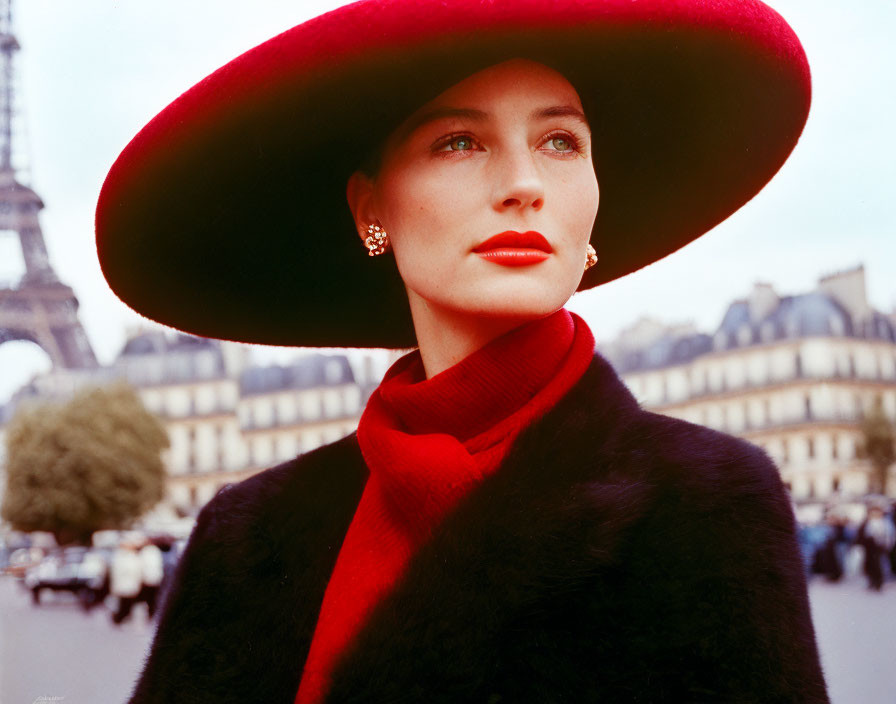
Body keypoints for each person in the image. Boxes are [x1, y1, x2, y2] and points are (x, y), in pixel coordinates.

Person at [95, 0, 828, 701]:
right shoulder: (245, 535)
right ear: (370, 209)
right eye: (459, 141)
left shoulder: (711, 504)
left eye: (561, 141)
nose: (523, 184)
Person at [109, 539, 144, 625]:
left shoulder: (134, 557)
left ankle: (122, 618)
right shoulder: (119, 557)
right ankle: (118, 619)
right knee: (123, 603)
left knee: (129, 603)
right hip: (122, 585)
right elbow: (116, 573)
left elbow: (138, 572)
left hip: (131, 584)